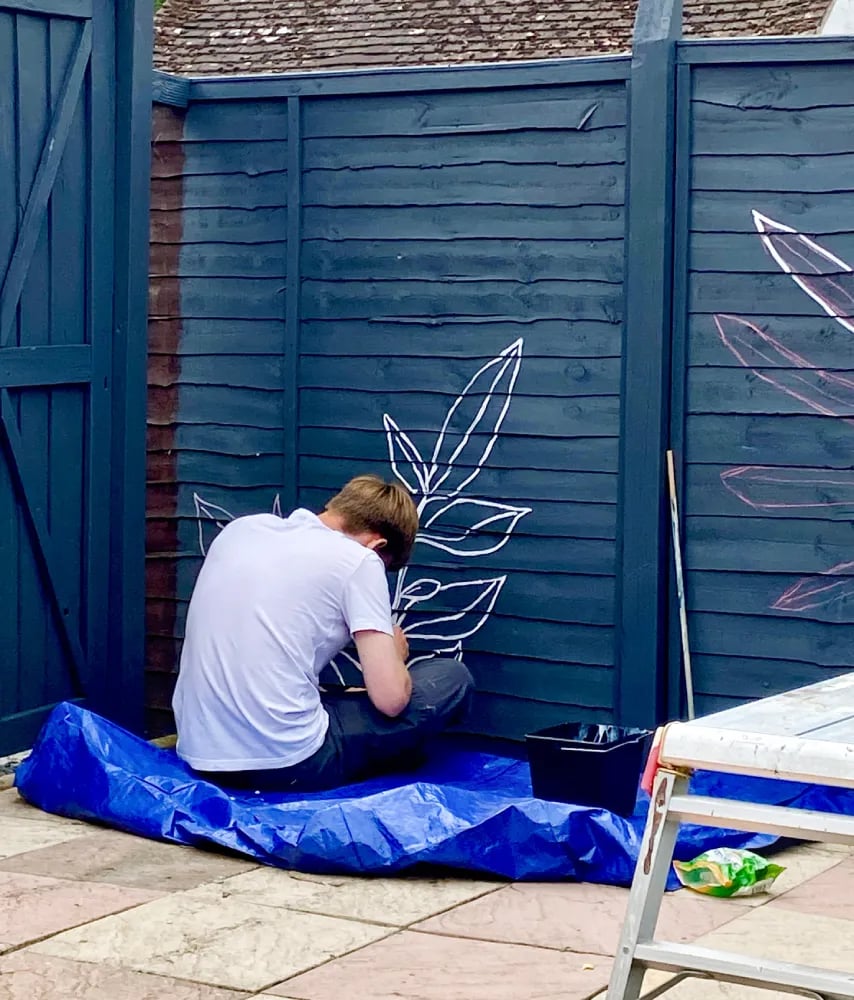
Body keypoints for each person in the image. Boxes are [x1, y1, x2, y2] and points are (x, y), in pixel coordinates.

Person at [172, 474, 474, 792]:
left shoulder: (241, 530)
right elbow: (391, 701)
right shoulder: (361, 560)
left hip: (201, 753)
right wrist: (396, 658)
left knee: (330, 696)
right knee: (451, 678)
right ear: (378, 545)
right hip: (289, 763)